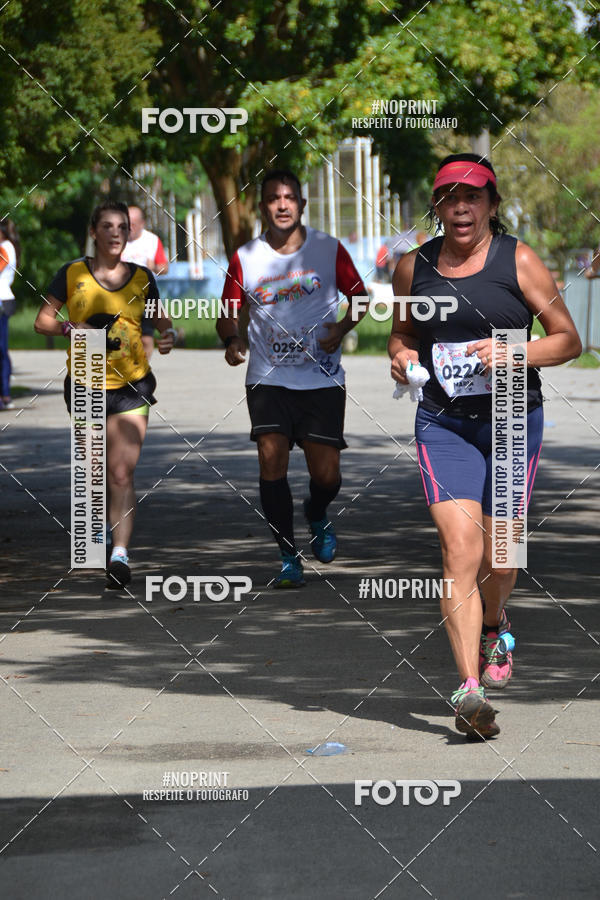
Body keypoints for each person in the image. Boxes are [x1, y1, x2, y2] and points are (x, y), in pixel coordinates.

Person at [389, 153, 581, 739]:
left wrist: (512, 353)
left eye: (473, 196)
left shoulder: (517, 260)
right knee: (459, 551)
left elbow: (570, 341)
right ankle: (469, 691)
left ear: (492, 205)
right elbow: (402, 333)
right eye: (449, 197)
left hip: (511, 419)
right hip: (443, 423)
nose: (461, 207)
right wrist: (401, 358)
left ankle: (497, 622)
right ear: (438, 207)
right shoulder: (413, 266)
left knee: (503, 553)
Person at [217, 169, 367, 587]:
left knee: (327, 476)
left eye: (289, 198)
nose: (282, 205)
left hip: (321, 379)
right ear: (263, 207)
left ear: (301, 205)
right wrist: (232, 340)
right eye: (273, 198)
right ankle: (288, 555)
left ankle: (317, 512)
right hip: (268, 377)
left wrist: (341, 328)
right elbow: (228, 313)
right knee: (271, 458)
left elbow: (359, 298)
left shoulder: (328, 249)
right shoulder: (245, 257)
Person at [34, 200, 175, 589]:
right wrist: (66, 329)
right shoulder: (72, 273)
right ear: (94, 232)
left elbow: (163, 322)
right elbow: (42, 319)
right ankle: (91, 544)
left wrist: (168, 337)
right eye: (108, 227)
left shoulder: (143, 277)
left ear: (129, 235)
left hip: (133, 384)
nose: (116, 233)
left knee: (120, 470)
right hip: (85, 380)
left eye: (122, 228)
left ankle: (120, 554)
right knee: (93, 471)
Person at [121, 205, 170, 360]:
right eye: (126, 223)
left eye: (133, 224)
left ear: (142, 223)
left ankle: (143, 369)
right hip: (120, 296)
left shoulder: (152, 240)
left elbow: (165, 268)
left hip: (146, 295)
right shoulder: (115, 239)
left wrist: (154, 267)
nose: (130, 227)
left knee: (146, 338)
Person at [0, 219, 20, 410]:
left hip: (2, 300)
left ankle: (5, 394)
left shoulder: (5, 247)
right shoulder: (7, 246)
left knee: (1, 350)